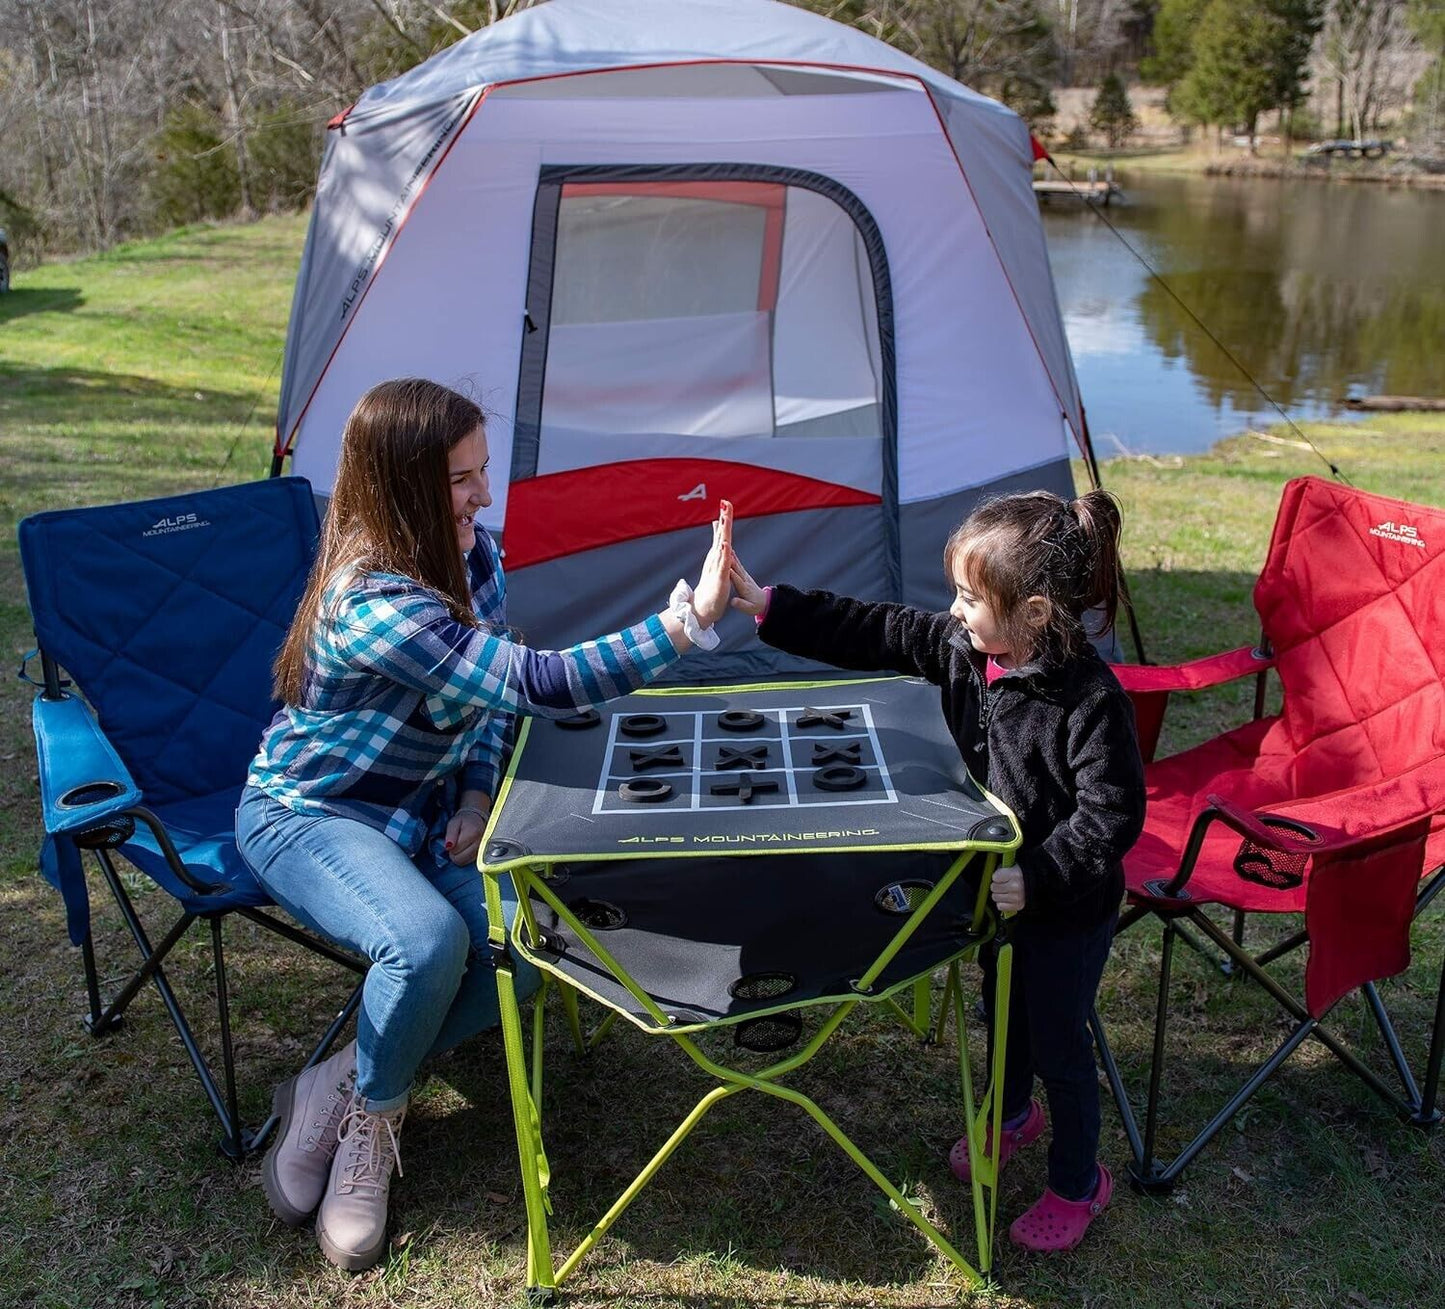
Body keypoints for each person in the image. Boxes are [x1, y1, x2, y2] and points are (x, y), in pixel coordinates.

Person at [237, 377, 734, 1271]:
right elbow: (532, 682)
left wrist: (471, 798)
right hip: (309, 814)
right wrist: (684, 626)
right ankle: (374, 1128)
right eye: (461, 479)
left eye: (482, 471)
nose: (483, 496)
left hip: (420, 816)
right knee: (425, 941)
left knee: (530, 947)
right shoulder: (374, 602)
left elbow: (485, 714)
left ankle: (336, 1080)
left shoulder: (475, 558)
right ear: (400, 488)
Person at [728, 489, 1144, 1252]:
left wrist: (1041, 876)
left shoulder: (1088, 699)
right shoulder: (965, 650)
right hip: (997, 895)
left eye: (967, 597)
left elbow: (1111, 816)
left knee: (1058, 1040)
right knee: (1001, 1014)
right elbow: (875, 628)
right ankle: (1011, 1113)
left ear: (1035, 613)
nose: (953, 611)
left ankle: (1078, 1182)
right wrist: (770, 604)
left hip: (1063, 906)